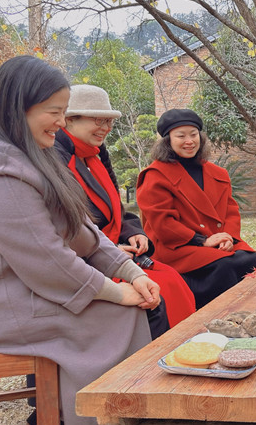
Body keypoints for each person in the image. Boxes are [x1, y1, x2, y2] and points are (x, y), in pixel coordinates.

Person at [0, 56, 160, 425]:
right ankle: (86, 416)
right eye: (54, 111)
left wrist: (129, 271)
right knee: (118, 313)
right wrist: (115, 290)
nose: (61, 122)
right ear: (18, 108)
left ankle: (98, 412)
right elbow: (46, 260)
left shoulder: (33, 157)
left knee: (132, 304)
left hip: (33, 288)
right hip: (3, 304)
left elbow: (82, 231)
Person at [54, 84, 196, 337]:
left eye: (108, 121)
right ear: (68, 119)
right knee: (159, 290)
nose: (106, 128)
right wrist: (112, 250)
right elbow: (68, 227)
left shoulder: (95, 155)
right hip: (90, 261)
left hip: (117, 250)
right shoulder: (56, 160)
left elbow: (115, 208)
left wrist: (132, 231)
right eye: (98, 120)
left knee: (173, 280)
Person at [136, 109, 256, 309]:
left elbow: (231, 211)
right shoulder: (155, 175)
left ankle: (252, 312)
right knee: (225, 264)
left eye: (193, 134)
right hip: (176, 246)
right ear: (168, 140)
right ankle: (217, 317)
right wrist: (203, 240)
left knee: (250, 258)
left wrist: (228, 238)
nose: (189, 141)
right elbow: (163, 224)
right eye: (181, 136)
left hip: (216, 241)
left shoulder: (217, 173)